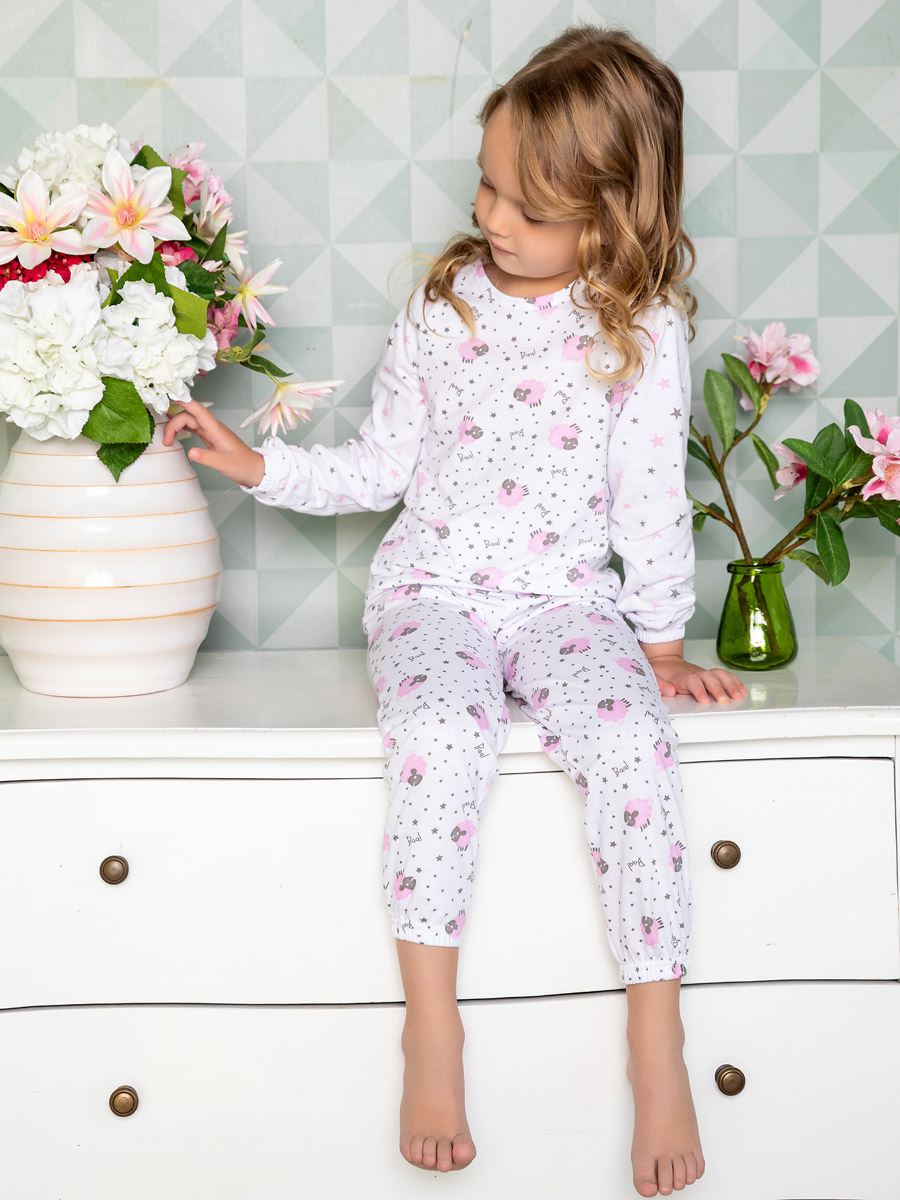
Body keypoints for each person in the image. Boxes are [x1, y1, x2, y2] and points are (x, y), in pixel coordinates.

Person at [164, 23, 747, 1197]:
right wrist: (256, 466)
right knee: (441, 735)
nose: (492, 217)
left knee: (633, 742)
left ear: (610, 217)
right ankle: (432, 1026)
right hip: (433, 593)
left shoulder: (642, 332)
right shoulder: (446, 309)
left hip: (567, 604)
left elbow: (650, 506)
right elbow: (380, 468)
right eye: (487, 185)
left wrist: (661, 651)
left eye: (529, 207)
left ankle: (657, 1034)